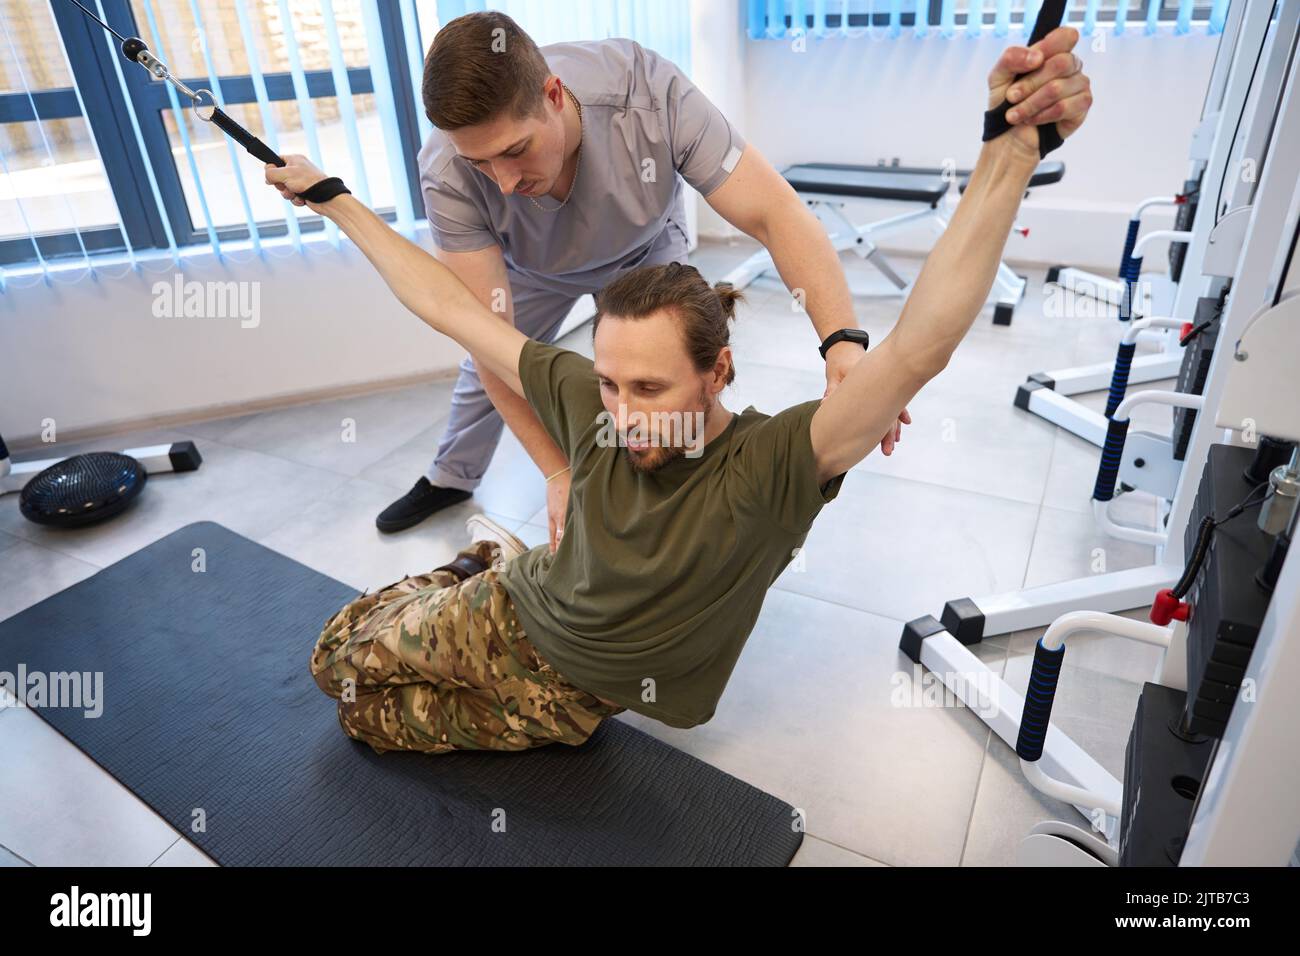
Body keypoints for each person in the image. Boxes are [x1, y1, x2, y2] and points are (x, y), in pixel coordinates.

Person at [267, 26, 1093, 755]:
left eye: (651, 388)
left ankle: (488, 563)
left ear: (720, 371)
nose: (620, 415)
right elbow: (455, 307)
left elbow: (917, 345)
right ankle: (484, 565)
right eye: (611, 384)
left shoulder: (769, 469)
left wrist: (1008, 156)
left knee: (368, 719)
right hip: (519, 611)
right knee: (334, 662)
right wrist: (337, 201)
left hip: (564, 688)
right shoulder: (587, 394)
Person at [376, 10, 903, 549]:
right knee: (483, 362)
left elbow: (776, 213)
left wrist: (842, 343)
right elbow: (481, 333)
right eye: (481, 164)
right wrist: (557, 472)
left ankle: (674, 486)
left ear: (554, 94)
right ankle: (450, 476)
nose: (505, 184)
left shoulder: (647, 93)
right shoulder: (446, 167)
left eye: (515, 151)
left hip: (643, 251)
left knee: (668, 373)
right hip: (530, 268)